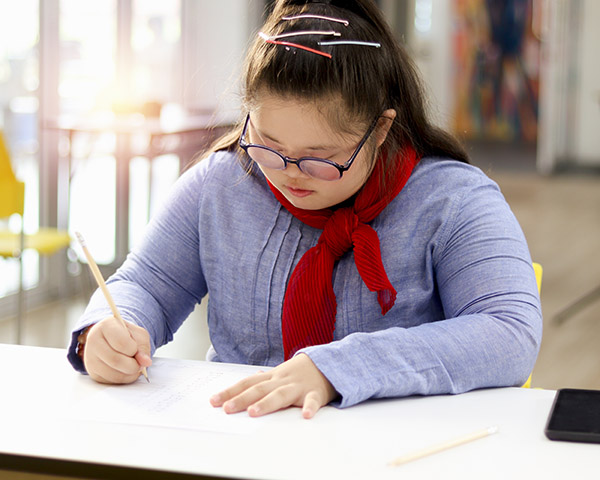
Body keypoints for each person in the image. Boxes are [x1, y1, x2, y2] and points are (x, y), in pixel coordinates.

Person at [67, 0, 542, 420]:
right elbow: (145, 284)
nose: (290, 174)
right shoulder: (221, 184)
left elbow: (508, 332)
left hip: (397, 448)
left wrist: (339, 368)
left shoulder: (452, 200)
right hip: (241, 439)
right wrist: (110, 330)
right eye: (269, 146)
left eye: (321, 158)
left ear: (379, 130)